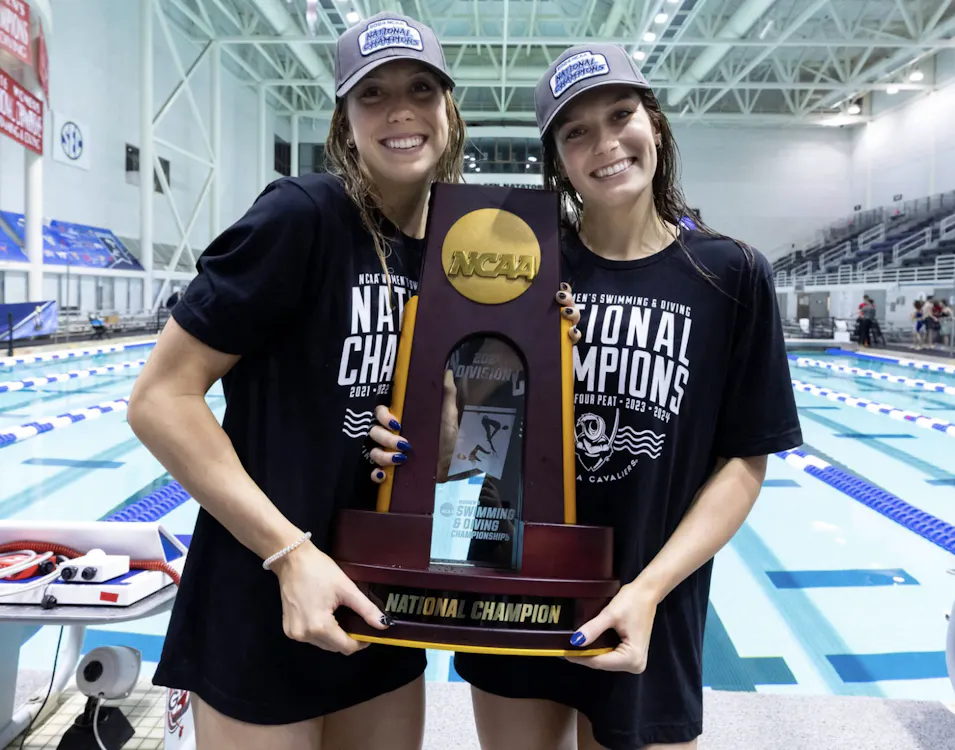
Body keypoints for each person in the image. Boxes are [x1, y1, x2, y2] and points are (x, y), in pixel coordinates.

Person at [127, 13, 467, 749]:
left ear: (449, 111)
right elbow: (160, 399)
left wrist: (449, 444)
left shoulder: (452, 254)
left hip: (383, 598)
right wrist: (290, 553)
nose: (400, 110)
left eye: (419, 89)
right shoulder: (302, 217)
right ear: (344, 123)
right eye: (371, 95)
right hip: (264, 594)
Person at [450, 43, 803, 750]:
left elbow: (743, 461)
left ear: (657, 124)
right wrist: (515, 359)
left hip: (654, 601)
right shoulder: (521, 267)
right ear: (558, 158)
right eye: (576, 132)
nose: (605, 144)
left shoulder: (730, 274)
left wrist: (646, 592)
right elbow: (477, 444)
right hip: (520, 588)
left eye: (621, 115)